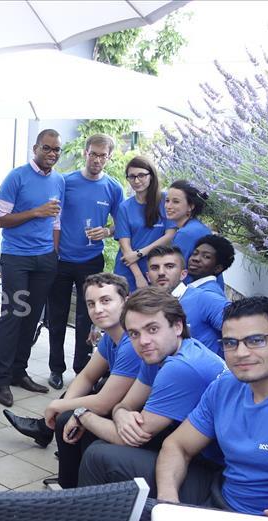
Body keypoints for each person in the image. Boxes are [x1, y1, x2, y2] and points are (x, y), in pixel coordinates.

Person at [73, 287, 226, 493]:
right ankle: (76, 499)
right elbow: (126, 404)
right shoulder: (158, 351)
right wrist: (121, 415)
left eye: (152, 329)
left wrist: (82, 414)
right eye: (134, 334)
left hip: (213, 466)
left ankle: (84, 515)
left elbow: (129, 439)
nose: (143, 341)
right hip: (183, 440)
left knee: (98, 455)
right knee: (98, 438)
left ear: (178, 326)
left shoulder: (181, 367)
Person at [4, 273, 142, 488]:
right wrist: (63, 404)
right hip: (120, 403)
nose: (98, 309)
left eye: (106, 300)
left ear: (125, 301)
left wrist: (57, 405)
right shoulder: (110, 337)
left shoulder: (132, 342)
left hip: (137, 415)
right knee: (66, 413)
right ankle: (69, 482)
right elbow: (87, 376)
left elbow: (104, 402)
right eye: (91, 303)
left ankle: (71, 487)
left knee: (66, 415)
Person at [156, 296, 268, 517]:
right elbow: (178, 445)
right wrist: (168, 499)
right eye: (230, 343)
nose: (241, 352)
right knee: (103, 457)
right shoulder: (225, 387)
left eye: (256, 340)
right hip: (221, 502)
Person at [0, 129, 66, 406]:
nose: (52, 154)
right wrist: (36, 212)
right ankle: (0, 379)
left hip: (45, 258)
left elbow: (56, 221)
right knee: (14, 315)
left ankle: (18, 372)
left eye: (56, 150)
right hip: (16, 257)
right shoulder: (17, 177)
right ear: (35, 148)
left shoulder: (59, 180)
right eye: (47, 148)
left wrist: (54, 253)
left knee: (32, 317)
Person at [47, 133, 124, 390]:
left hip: (91, 260)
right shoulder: (66, 182)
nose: (97, 159)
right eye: (94, 154)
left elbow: (121, 224)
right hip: (61, 259)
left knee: (87, 317)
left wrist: (107, 231)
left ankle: (82, 369)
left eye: (103, 155)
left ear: (109, 157)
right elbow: (52, 217)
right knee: (56, 316)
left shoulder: (113, 188)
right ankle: (56, 369)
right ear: (85, 153)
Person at [146, 246, 230, 356]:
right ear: (148, 277)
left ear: (183, 274)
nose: (161, 272)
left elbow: (242, 328)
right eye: (155, 268)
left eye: (169, 266)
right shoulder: (148, 308)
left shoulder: (204, 299)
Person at [113, 156, 176, 292]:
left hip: (157, 270)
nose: (136, 181)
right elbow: (125, 247)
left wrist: (140, 253)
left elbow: (170, 235)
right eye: (132, 177)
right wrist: (138, 276)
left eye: (141, 175)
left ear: (151, 175)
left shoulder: (166, 201)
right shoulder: (125, 207)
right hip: (129, 270)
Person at [165, 179, 211, 266]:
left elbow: (177, 270)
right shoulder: (196, 226)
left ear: (190, 206)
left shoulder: (186, 233)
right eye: (167, 200)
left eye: (176, 202)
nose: (168, 206)